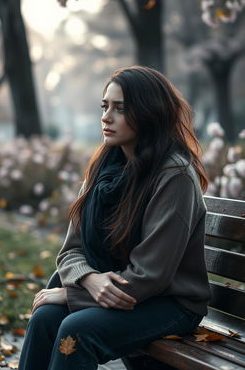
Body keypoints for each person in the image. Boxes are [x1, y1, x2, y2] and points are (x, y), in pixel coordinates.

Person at [18, 66, 211, 370]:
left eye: (120, 108)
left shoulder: (174, 175)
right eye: (105, 106)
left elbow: (152, 275)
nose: (106, 117)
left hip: (170, 302)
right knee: (44, 318)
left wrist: (72, 293)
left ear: (149, 112)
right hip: (116, 288)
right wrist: (89, 280)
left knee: (77, 330)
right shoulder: (105, 167)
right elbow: (71, 250)